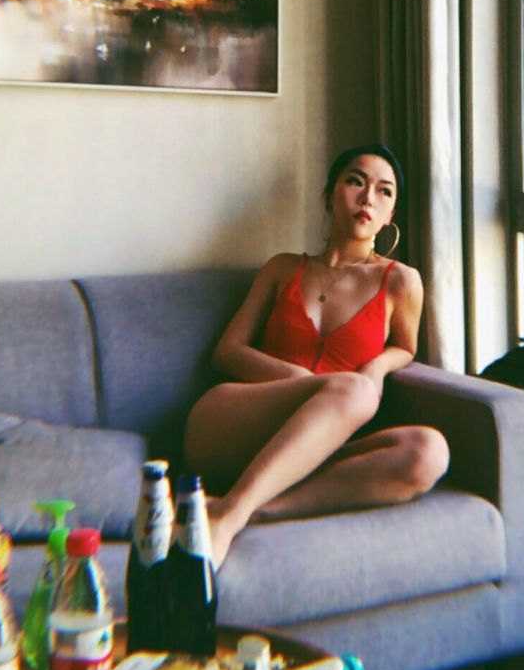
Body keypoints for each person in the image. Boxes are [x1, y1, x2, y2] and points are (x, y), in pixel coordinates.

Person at [183, 144, 450, 566]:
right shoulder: (282, 268)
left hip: (317, 445)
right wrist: (307, 384)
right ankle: (231, 517)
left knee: (429, 451)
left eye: (384, 191)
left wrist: (377, 367)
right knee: (355, 391)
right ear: (329, 195)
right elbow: (228, 352)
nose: (368, 198)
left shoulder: (400, 281)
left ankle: (243, 508)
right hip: (231, 424)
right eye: (356, 182)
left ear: (390, 215)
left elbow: (405, 347)